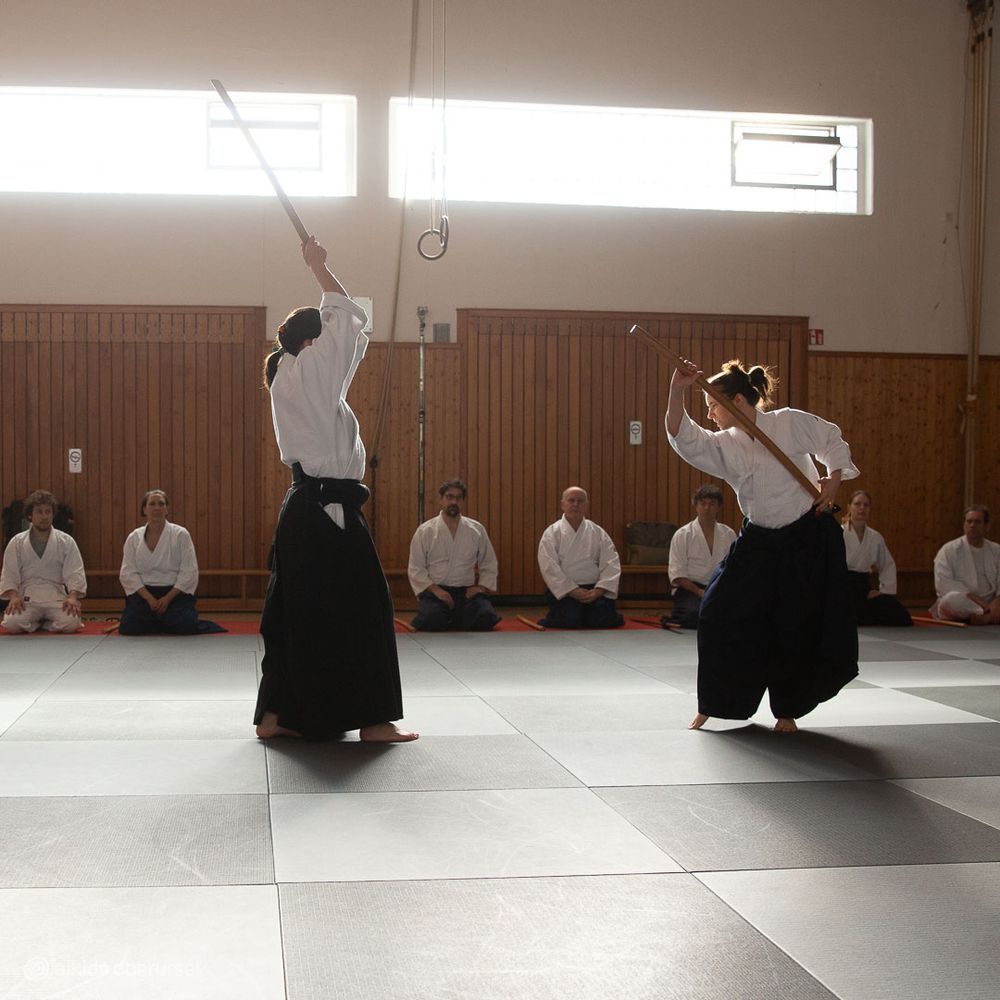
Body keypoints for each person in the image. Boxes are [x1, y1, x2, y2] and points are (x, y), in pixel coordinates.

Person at [254, 236, 416, 742]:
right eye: (321, 337)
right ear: (310, 343)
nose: (335, 347)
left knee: (295, 610)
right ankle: (372, 720)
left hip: (305, 509)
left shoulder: (291, 378)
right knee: (363, 608)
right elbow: (345, 319)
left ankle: (275, 716)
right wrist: (320, 268)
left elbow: (347, 338)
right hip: (325, 511)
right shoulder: (307, 373)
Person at [666, 358, 859, 732]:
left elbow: (831, 440)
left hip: (804, 538)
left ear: (739, 401)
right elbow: (683, 437)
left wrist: (833, 481)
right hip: (758, 541)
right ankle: (716, 702)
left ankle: (786, 711)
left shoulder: (786, 422)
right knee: (718, 612)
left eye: (713, 405)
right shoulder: (726, 445)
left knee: (794, 625)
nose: (708, 415)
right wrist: (677, 390)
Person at [118, 489, 224, 635]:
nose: (157, 508)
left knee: (183, 625)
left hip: (174, 593)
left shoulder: (180, 534)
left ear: (167, 509)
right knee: (130, 627)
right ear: (144, 509)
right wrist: (149, 599)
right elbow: (128, 573)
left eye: (161, 504)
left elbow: (189, 571)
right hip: (145, 593)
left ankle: (158, 620)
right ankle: (160, 620)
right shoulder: (134, 538)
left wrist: (167, 599)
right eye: (152, 504)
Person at [408, 479, 501, 631]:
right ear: (441, 500)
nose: (454, 501)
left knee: (486, 616)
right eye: (449, 497)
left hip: (466, 593)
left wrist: (481, 588)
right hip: (437, 592)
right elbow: (416, 568)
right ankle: (457, 618)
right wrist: (436, 590)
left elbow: (488, 562)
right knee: (433, 617)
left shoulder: (476, 529)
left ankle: (454, 618)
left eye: (458, 498)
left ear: (463, 501)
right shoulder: (426, 531)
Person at [537, 486, 624, 629]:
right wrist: (572, 590)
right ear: (562, 505)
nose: (576, 504)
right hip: (566, 591)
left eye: (580, 501)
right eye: (571, 500)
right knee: (572, 620)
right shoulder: (551, 533)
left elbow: (611, 563)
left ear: (586, 505)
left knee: (600, 620)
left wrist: (599, 590)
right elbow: (549, 566)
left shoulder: (598, 532)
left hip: (594, 589)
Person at [1, 489, 86, 633]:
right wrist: (13, 597)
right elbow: (9, 573)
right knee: (11, 623)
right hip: (27, 599)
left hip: (56, 597)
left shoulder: (66, 541)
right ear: (30, 515)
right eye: (39, 512)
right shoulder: (17, 542)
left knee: (72, 622)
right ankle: (36, 624)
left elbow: (75, 571)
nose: (44, 516)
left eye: (48, 512)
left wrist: (72, 597)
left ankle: (45, 625)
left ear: (53, 515)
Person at [665, 484, 737, 629]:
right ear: (696, 506)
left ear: (718, 507)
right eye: (702, 503)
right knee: (694, 614)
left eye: (712, 504)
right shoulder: (683, 534)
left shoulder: (728, 534)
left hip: (719, 588)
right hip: (691, 589)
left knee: (735, 612)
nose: (707, 508)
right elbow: (677, 574)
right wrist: (699, 591)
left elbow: (734, 568)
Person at [841, 490, 912, 626]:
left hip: (864, 588)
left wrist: (884, 591)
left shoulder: (875, 537)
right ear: (849, 507)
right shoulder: (840, 533)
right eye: (857, 504)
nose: (862, 508)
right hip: (844, 587)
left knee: (898, 613)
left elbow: (887, 564)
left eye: (866, 505)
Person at [931, 505, 1000, 625]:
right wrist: (978, 600)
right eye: (969, 521)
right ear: (964, 525)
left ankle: (985, 616)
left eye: (977, 522)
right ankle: (985, 616)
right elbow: (943, 584)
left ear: (987, 526)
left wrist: (998, 600)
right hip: (965, 602)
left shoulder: (996, 550)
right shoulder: (949, 550)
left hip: (992, 602)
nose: (972, 525)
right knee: (951, 600)